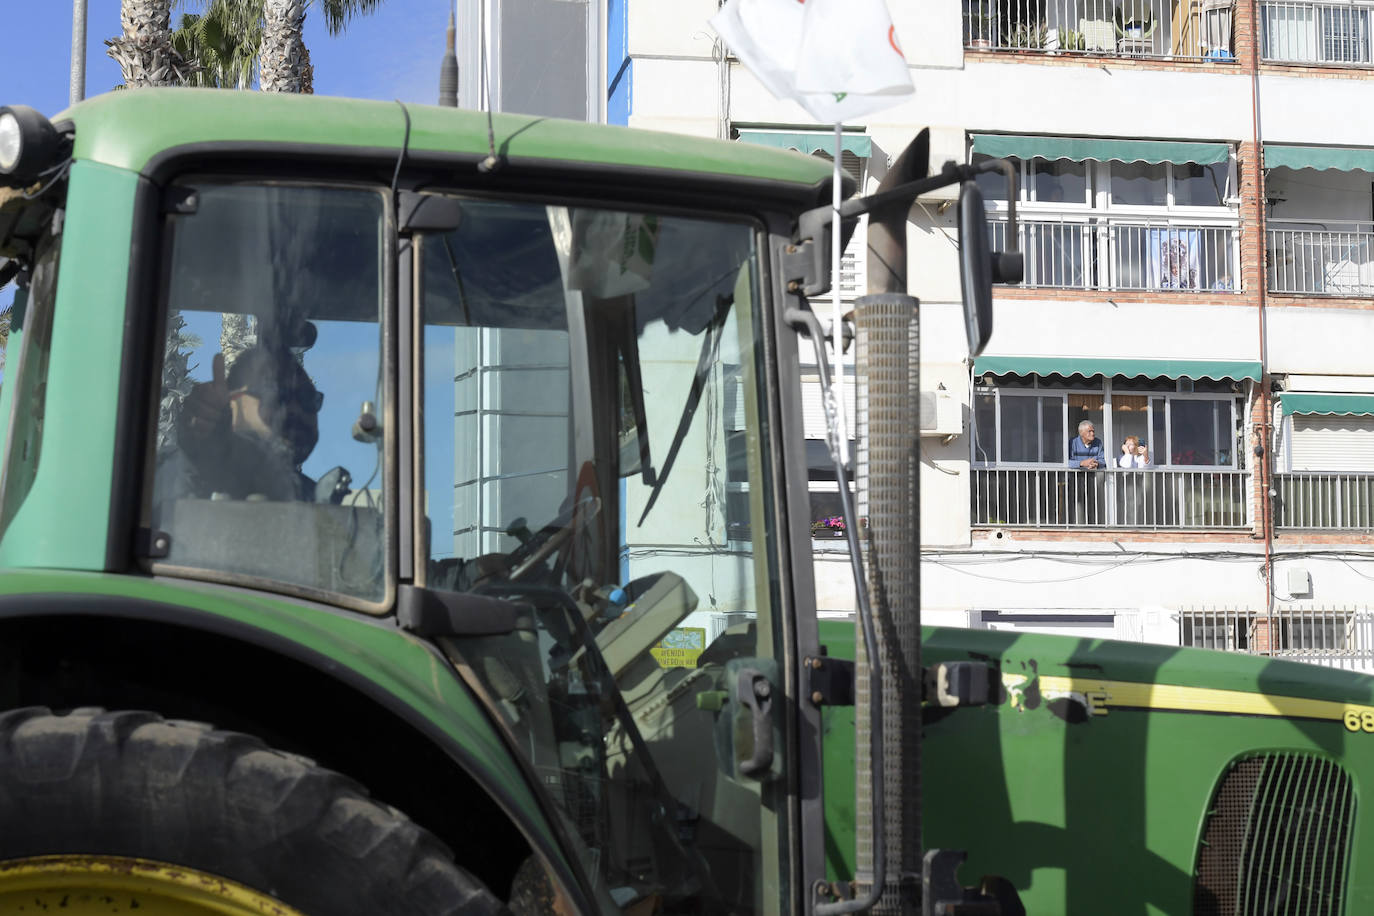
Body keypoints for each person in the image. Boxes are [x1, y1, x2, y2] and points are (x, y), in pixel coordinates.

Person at [159, 346, 323, 502]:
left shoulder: (318, 500)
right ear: (232, 403)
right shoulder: (178, 473)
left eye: (306, 397)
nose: (295, 409)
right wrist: (201, 451)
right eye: (277, 396)